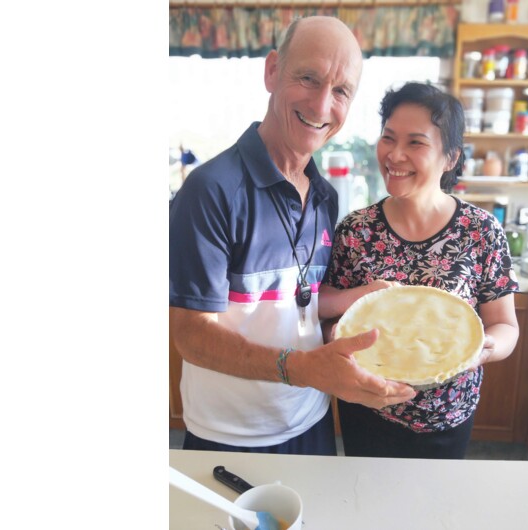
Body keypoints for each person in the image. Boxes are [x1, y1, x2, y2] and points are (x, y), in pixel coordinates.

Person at [168, 16, 416, 456]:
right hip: (230, 436)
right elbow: (190, 334)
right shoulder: (210, 191)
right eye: (308, 78)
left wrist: (363, 297)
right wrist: (303, 369)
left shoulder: (324, 196)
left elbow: (295, 301)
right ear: (271, 72)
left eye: (341, 91)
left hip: (310, 422)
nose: (323, 106)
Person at [319, 82, 521, 459]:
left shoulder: (480, 231)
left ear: (449, 157)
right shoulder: (356, 229)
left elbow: (505, 326)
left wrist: (482, 349)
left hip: (448, 415)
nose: (395, 155)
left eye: (415, 143)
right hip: (366, 408)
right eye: (388, 138)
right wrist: (341, 335)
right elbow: (325, 308)